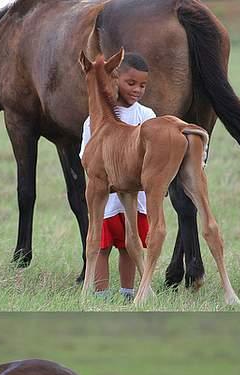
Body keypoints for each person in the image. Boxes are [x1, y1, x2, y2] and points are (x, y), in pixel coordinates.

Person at [79, 53, 156, 301]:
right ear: (114, 80)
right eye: (130, 83)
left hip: (136, 195)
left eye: (143, 85)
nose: (137, 90)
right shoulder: (94, 121)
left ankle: (127, 292)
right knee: (102, 246)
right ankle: (101, 294)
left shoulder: (147, 116)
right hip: (108, 200)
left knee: (129, 246)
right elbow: (86, 158)